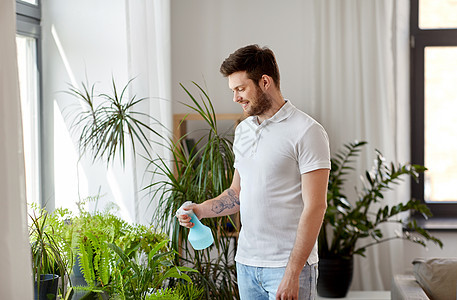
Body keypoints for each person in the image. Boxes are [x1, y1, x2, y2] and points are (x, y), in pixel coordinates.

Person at [176, 44, 330, 300]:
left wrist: (293, 272)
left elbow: (316, 206)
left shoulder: (307, 131)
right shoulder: (244, 130)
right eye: (233, 90)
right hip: (247, 264)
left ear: (265, 82)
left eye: (240, 88)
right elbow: (237, 193)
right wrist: (200, 210)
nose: (235, 98)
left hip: (287, 268)